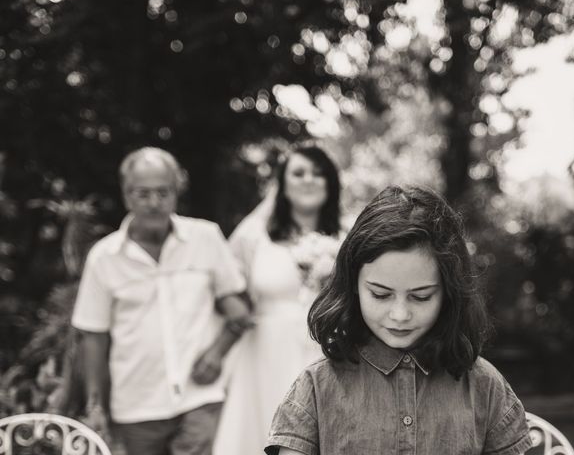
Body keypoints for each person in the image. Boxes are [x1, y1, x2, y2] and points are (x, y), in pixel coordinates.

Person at [265, 185, 533, 455]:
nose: (400, 315)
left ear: (449, 292)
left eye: (421, 297)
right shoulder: (316, 386)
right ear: (354, 284)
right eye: (381, 295)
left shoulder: (484, 385)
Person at [71, 147, 251, 455]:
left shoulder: (206, 238)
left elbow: (239, 310)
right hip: (137, 404)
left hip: (199, 397)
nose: (154, 203)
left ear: (176, 193)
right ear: (127, 196)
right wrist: (95, 404)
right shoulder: (104, 258)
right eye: (143, 194)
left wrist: (217, 353)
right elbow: (93, 336)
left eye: (163, 193)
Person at [213, 144, 342, 455]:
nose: (308, 180)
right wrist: (237, 312)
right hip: (264, 351)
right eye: (298, 173)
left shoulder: (345, 237)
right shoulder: (254, 234)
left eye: (318, 174)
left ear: (330, 183)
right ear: (282, 184)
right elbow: (224, 284)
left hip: (326, 351)